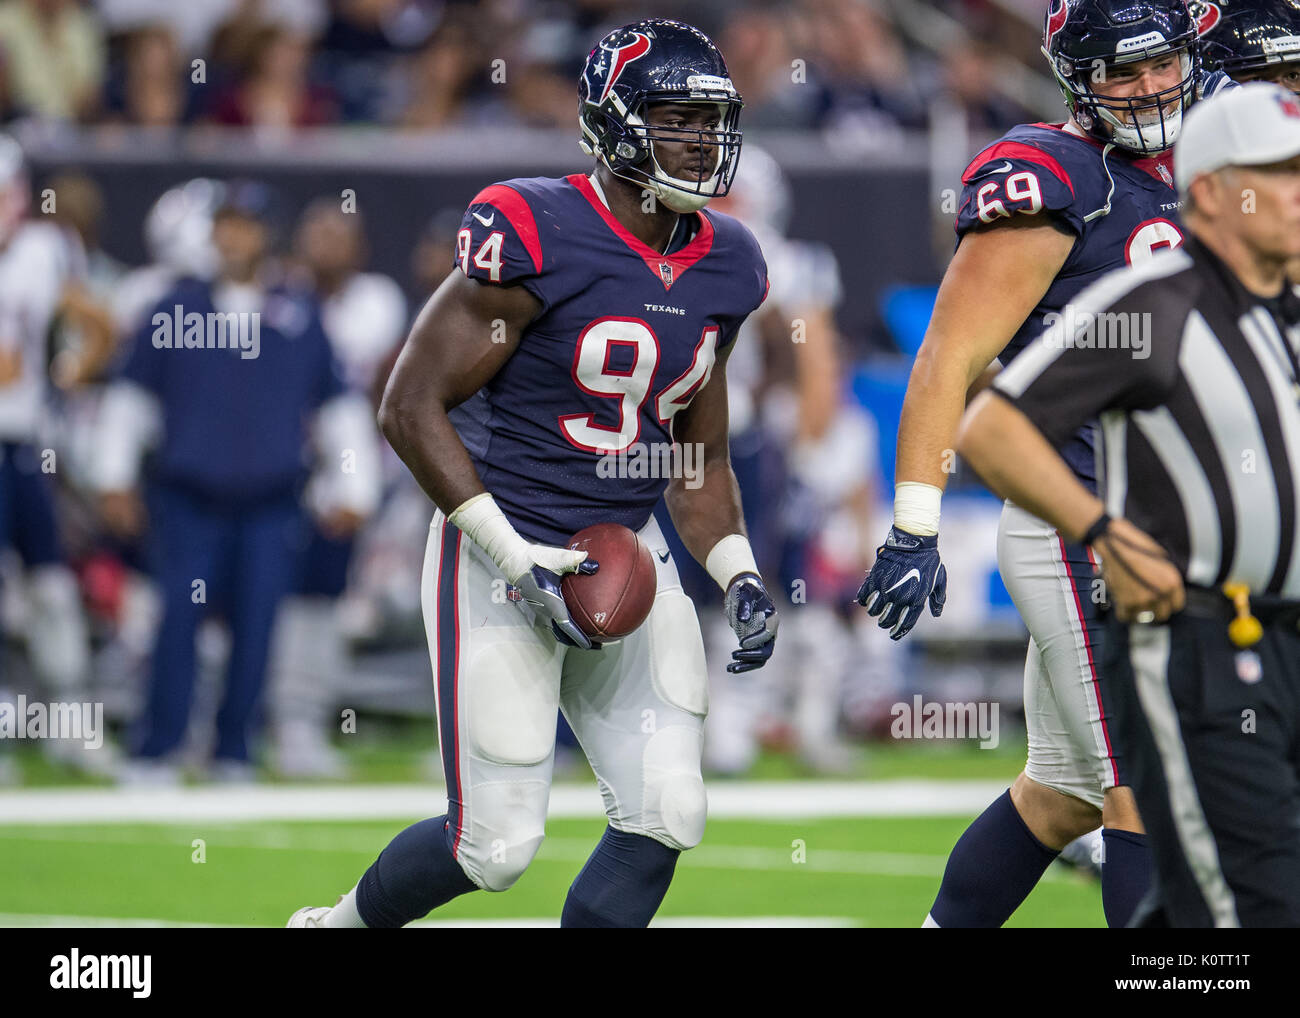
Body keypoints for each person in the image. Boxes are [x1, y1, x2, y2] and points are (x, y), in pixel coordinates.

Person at [288, 18, 778, 929]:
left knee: (670, 810)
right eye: (676, 120)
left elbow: (696, 454)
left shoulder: (729, 262)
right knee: (496, 846)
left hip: (623, 550)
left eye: (711, 123)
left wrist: (739, 572)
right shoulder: (536, 229)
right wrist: (510, 556)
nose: (702, 144)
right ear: (615, 127)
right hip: (501, 544)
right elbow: (406, 404)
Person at [855, 0, 1231, 928]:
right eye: (1120, 71)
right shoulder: (1052, 177)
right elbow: (950, 355)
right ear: (1075, 79)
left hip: (1170, 517)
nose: (1148, 89)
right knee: (1146, 787)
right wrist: (915, 521)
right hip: (1080, 516)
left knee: (1060, 793)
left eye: (1161, 65)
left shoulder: (1202, 162)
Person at [957, 81, 1300, 927]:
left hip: (1256, 607)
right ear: (1211, 191)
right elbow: (993, 425)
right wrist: (1103, 529)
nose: (1298, 193)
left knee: (1064, 797)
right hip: (1129, 576)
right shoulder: (1152, 300)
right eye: (1279, 175)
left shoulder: (1282, 309)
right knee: (1148, 803)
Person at [95, 179, 378, 784]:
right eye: (224, 224)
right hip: (190, 496)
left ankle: (234, 750)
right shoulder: (175, 308)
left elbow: (336, 409)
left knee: (259, 627)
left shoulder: (299, 313)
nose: (233, 236)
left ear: (264, 234)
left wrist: (353, 487)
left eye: (244, 225)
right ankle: (158, 748)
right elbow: (130, 400)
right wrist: (114, 476)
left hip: (272, 501)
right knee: (178, 624)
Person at [0, 135, 116, 778]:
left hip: (24, 446)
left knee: (51, 588)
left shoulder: (43, 251)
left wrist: (69, 369)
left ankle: (70, 724)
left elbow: (99, 321)